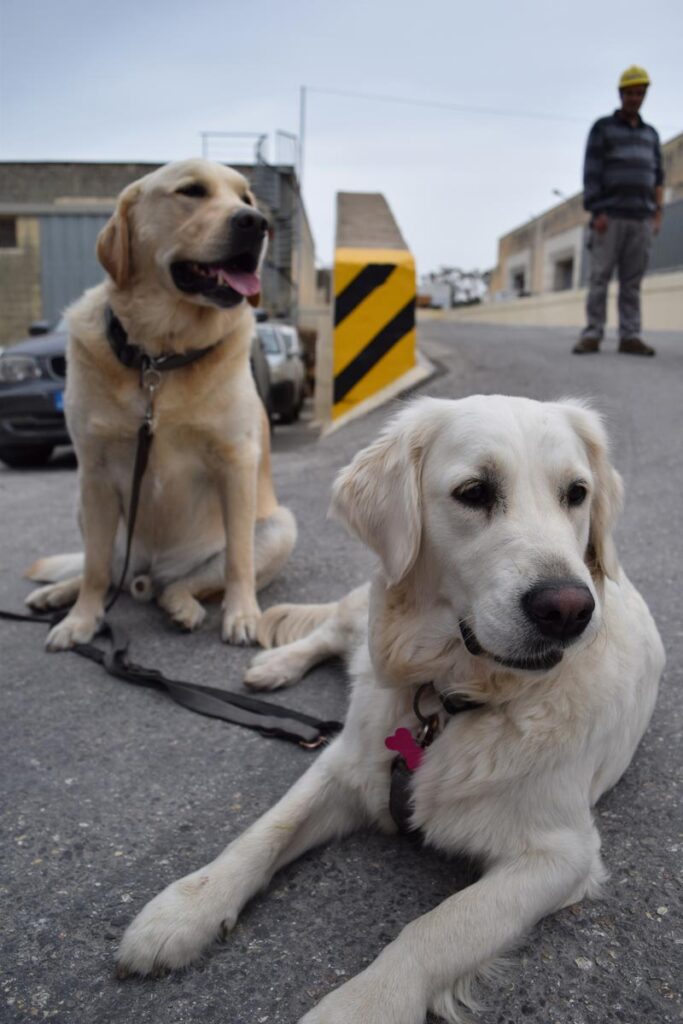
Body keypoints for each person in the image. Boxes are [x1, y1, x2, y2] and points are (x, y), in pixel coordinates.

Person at [573, 66, 664, 357]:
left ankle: (630, 335)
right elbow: (592, 172)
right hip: (609, 217)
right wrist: (597, 209)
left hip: (641, 217)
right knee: (599, 277)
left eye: (640, 93)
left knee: (632, 282)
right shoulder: (603, 128)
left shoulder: (651, 135)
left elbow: (659, 177)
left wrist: (657, 214)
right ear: (621, 94)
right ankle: (593, 333)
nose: (635, 98)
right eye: (630, 93)